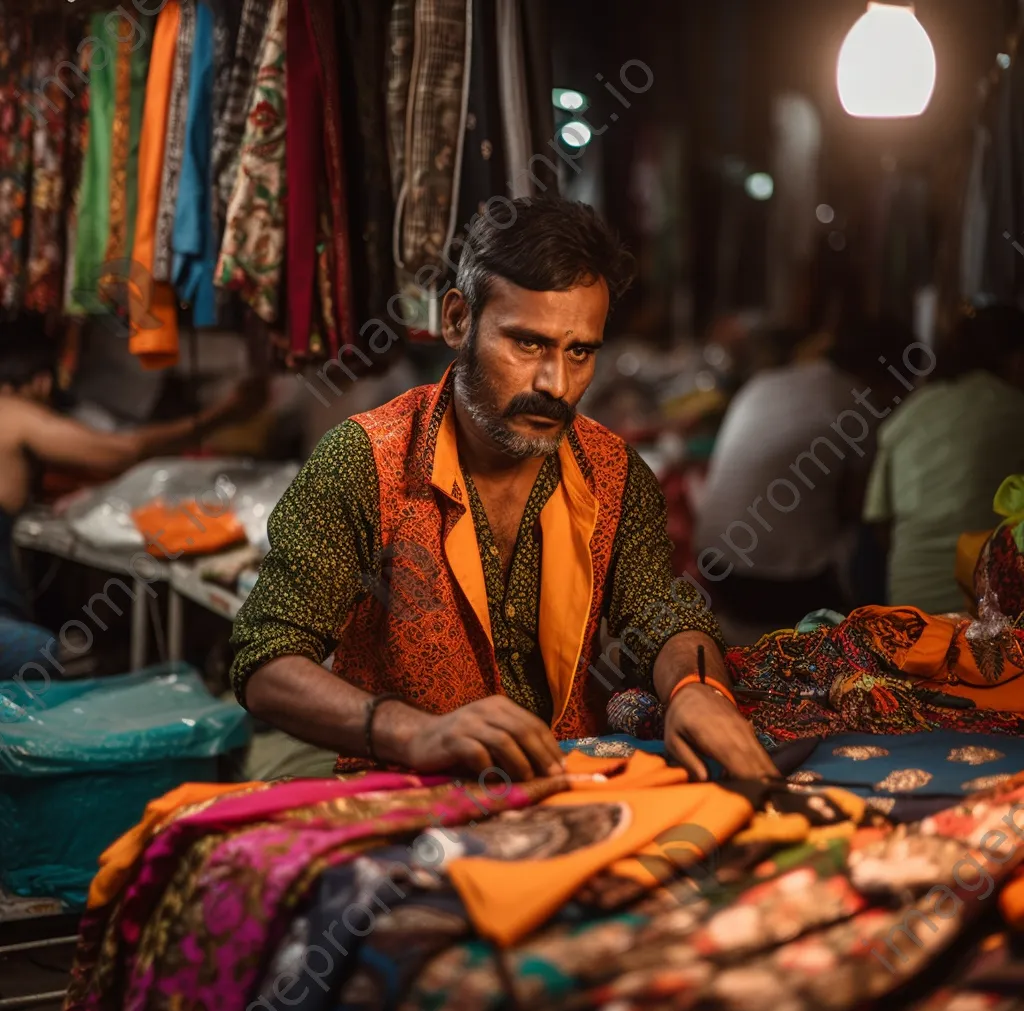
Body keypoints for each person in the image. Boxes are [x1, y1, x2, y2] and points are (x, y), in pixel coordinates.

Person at [231, 196, 777, 783]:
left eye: (580, 352)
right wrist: (416, 733)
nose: (556, 384)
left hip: (565, 785)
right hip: (408, 787)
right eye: (528, 344)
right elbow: (266, 659)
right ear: (458, 321)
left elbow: (662, 615)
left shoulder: (614, 472)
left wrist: (697, 689)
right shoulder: (365, 462)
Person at [0, 313, 264, 679]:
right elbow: (120, 451)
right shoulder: (13, 413)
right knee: (50, 658)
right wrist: (223, 415)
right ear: (43, 382)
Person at [693, 319, 914, 644]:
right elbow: (859, 504)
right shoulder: (857, 401)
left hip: (714, 568)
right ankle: (880, 641)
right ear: (885, 376)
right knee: (873, 530)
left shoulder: (767, 381)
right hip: (781, 586)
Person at [864, 304, 1024, 614]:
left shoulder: (909, 412)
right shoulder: (1016, 410)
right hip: (986, 620)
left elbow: (880, 525)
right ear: (1016, 360)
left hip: (908, 617)